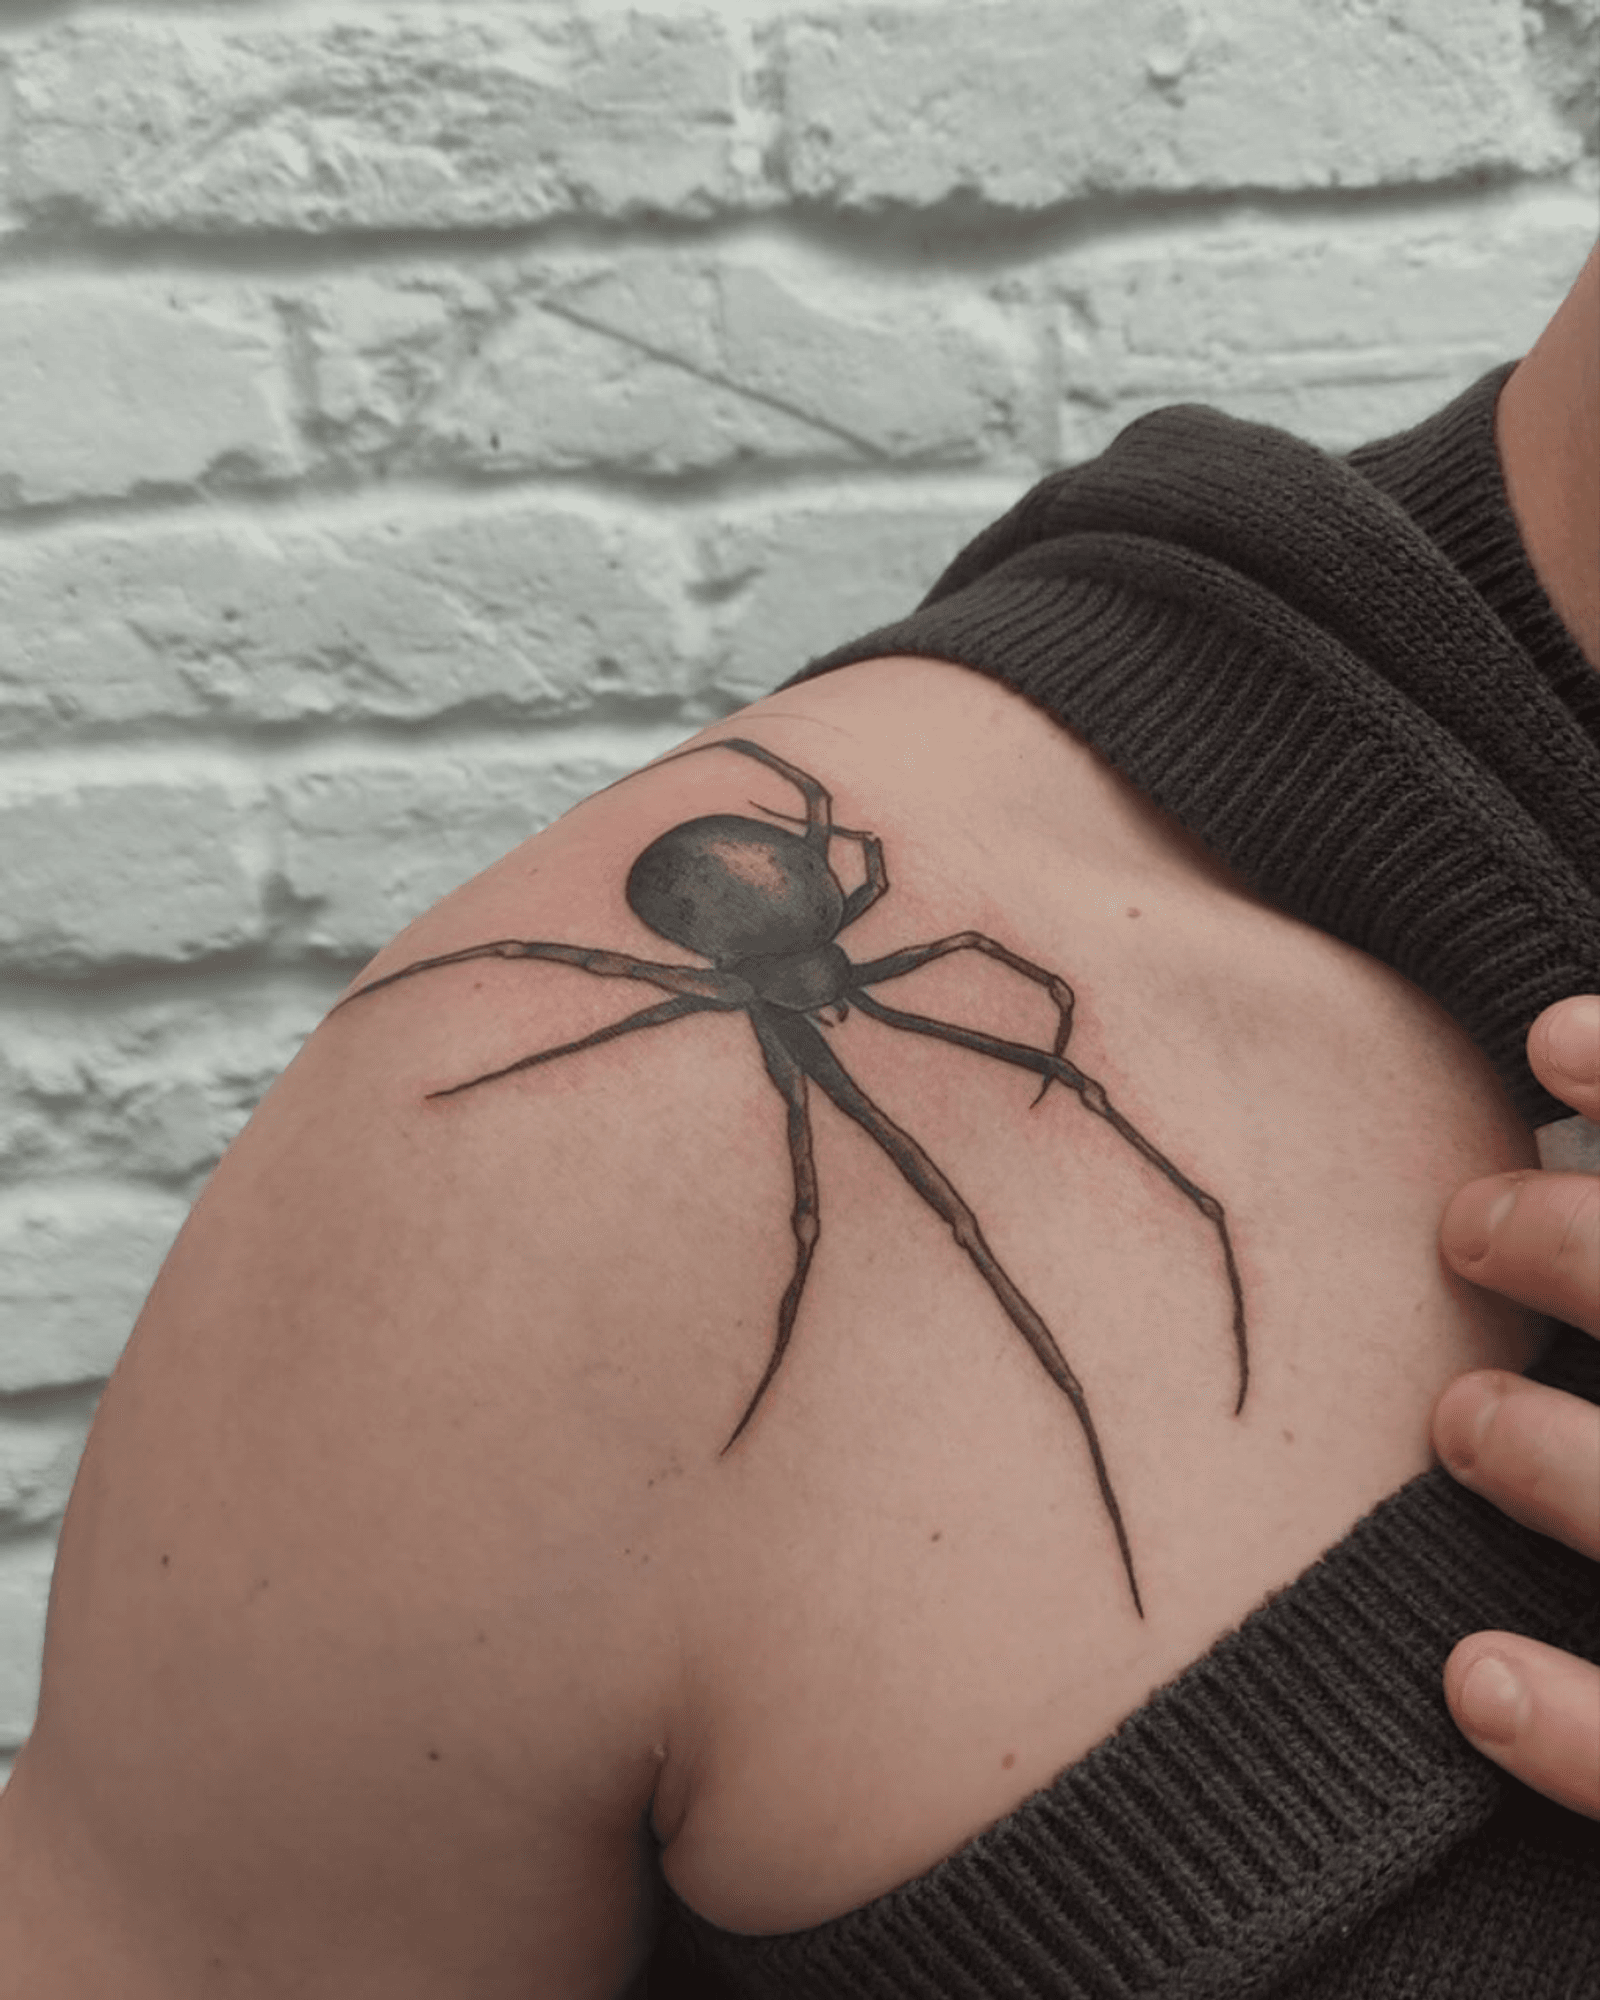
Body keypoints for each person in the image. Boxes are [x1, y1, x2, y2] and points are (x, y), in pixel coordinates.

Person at [0, 244, 1594, 1997]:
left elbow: (981, 987)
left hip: (789, 938)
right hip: (758, 948)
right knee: (870, 1191)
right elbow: (668, 990)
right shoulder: (534, 1201)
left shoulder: (865, 951)